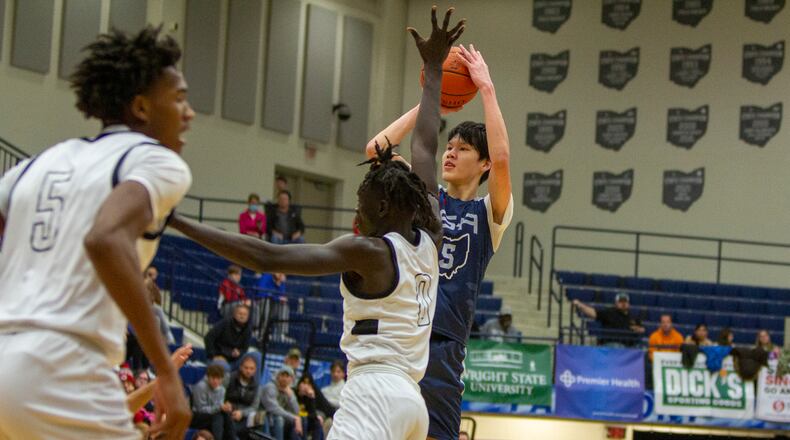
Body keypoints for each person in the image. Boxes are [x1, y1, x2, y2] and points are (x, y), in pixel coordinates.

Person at [168, 7, 461, 438]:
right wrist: (434, 67)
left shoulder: (368, 251)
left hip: (375, 393)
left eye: (361, 206)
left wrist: (178, 221)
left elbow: (266, 256)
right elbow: (425, 145)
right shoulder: (429, 234)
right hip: (411, 403)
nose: (356, 215)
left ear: (381, 208)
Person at [0, 26, 192, 439]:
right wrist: (165, 372)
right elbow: (105, 239)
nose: (189, 113)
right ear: (141, 107)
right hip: (63, 366)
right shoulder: (155, 161)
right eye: (179, 98)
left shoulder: (36, 164)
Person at [365, 20, 511, 440]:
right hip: (402, 335)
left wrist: (485, 88)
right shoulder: (423, 194)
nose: (450, 153)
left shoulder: (489, 214)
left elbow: (503, 159)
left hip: (445, 349)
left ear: (481, 164)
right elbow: (376, 150)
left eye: (462, 149)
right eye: (448, 146)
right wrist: (432, 104)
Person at [573, 293, 645, 347]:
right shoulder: (609, 312)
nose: (623, 303)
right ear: (616, 303)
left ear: (628, 303)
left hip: (629, 346)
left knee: (641, 348)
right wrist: (580, 305)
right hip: (612, 345)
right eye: (620, 301)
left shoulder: (634, 316)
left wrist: (638, 329)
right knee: (617, 346)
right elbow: (593, 313)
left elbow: (642, 329)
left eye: (625, 301)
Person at [190, 364, 233, 440]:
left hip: (213, 415)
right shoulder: (200, 386)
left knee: (225, 415)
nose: (216, 381)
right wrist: (219, 407)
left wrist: (225, 408)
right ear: (208, 377)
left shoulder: (222, 390)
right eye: (213, 378)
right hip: (197, 416)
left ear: (222, 379)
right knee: (217, 416)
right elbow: (200, 409)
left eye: (218, 379)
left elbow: (218, 407)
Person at [260, 366, 302, 440]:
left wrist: (291, 396)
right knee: (280, 419)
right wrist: (294, 418)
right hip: (265, 417)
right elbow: (274, 409)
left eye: (287, 376)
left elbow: (296, 411)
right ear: (278, 376)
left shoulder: (288, 390)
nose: (284, 379)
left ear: (291, 379)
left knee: (302, 420)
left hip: (281, 419)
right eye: (282, 375)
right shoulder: (270, 387)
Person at [225, 354, 262, 439]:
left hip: (245, 414)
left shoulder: (258, 386)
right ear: (241, 367)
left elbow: (254, 407)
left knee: (260, 417)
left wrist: (242, 413)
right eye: (246, 368)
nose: (248, 371)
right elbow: (221, 396)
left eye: (251, 368)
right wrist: (226, 405)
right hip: (230, 411)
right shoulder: (230, 378)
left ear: (255, 370)